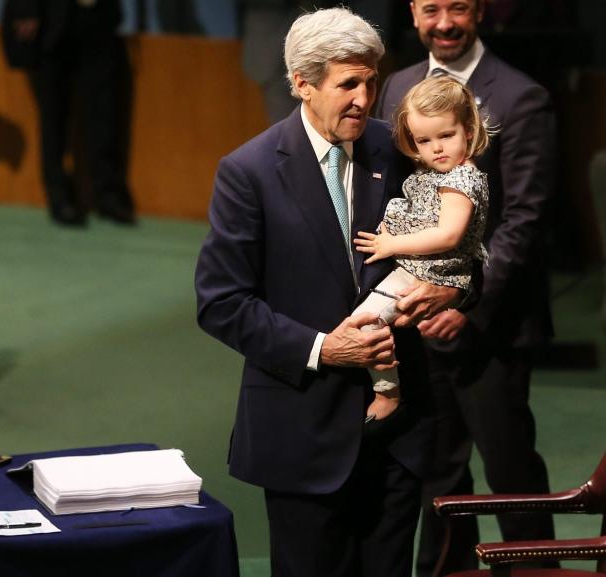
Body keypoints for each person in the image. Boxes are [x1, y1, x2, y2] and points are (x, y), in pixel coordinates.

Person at [194, 8, 463, 577]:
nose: (365, 99)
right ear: (302, 84)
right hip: (304, 434)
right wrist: (323, 348)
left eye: (372, 81)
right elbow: (221, 303)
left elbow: (463, 243)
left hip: (398, 435)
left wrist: (455, 294)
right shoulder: (249, 172)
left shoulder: (398, 149)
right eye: (348, 84)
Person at [374, 1, 556, 574]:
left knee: (511, 471)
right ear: (414, 13)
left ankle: (535, 575)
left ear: (479, 10)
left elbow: (525, 217)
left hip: (491, 326)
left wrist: (467, 300)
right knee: (437, 473)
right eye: (432, 8)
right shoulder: (397, 87)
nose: (445, 21)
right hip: (418, 322)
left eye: (457, 6)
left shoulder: (523, 96)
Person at [353, 76, 489, 423]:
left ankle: (387, 391)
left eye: (446, 136)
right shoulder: (435, 172)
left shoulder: (461, 178)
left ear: (469, 131)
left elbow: (447, 236)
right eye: (424, 141)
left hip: (428, 274)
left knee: (363, 323)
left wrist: (390, 243)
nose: (437, 148)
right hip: (414, 269)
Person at [1, 0, 135, 226]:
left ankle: (108, 194)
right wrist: (26, 9)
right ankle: (60, 197)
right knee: (53, 118)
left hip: (98, 20)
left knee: (104, 115)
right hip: (53, 23)